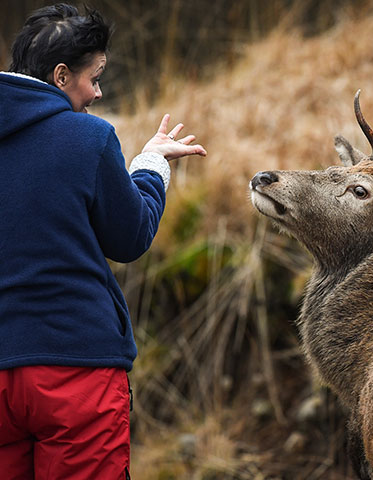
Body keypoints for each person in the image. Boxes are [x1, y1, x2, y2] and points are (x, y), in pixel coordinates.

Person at [0, 4, 206, 478]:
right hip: (76, 371)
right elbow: (130, 237)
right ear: (60, 75)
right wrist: (151, 165)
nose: (97, 92)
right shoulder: (87, 137)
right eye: (94, 77)